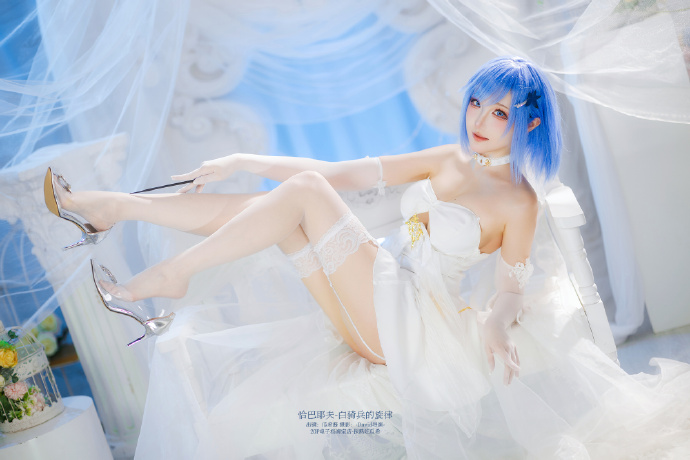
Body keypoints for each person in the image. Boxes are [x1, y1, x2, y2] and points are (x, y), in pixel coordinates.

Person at [44, 57, 690, 459]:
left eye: (500, 111)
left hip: (415, 332)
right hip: (377, 301)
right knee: (285, 207)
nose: (481, 119)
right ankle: (115, 207)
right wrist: (243, 159)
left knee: (301, 198)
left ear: (530, 123)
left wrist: (497, 321)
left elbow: (513, 286)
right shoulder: (448, 159)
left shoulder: (519, 200)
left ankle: (167, 267)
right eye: (476, 102)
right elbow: (339, 172)